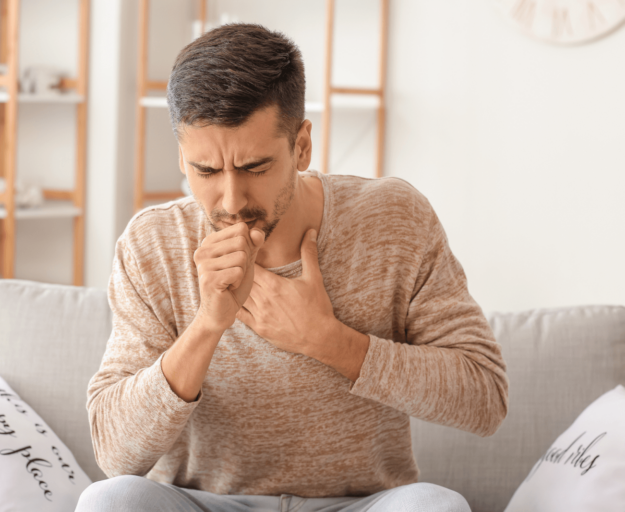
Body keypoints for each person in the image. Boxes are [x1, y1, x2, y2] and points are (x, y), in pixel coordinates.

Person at [78, 23, 508, 512]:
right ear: (181, 154)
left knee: (436, 506)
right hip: (202, 503)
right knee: (110, 501)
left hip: (361, 503)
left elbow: (484, 398)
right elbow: (115, 453)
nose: (231, 199)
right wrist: (207, 325)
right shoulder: (152, 243)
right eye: (206, 171)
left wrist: (327, 341)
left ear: (301, 145)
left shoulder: (393, 218)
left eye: (255, 168)